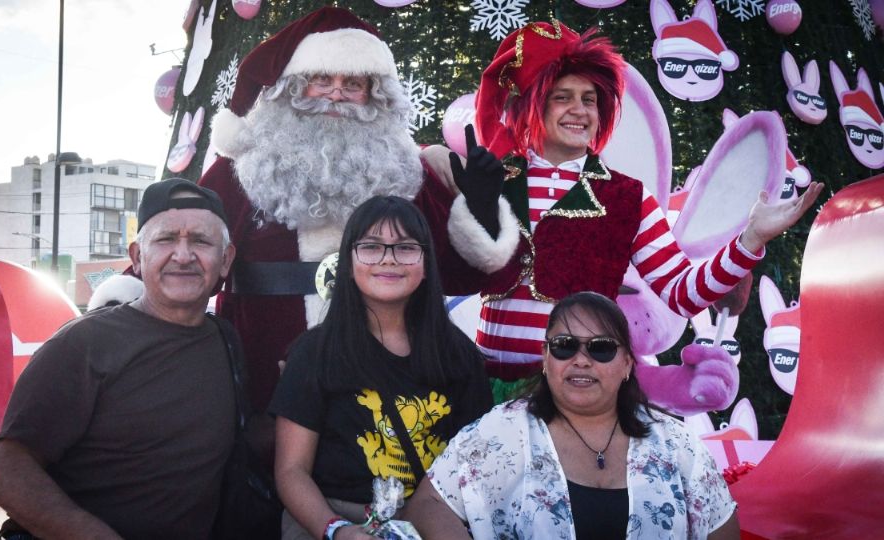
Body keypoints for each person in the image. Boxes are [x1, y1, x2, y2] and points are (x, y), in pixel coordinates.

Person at [446, 20, 823, 404]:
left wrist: (750, 240)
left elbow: (682, 293)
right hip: (485, 395)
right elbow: (449, 280)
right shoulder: (495, 181)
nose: (579, 110)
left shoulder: (628, 197)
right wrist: (472, 212)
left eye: (589, 99)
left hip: (576, 402)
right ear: (534, 104)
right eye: (563, 97)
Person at [200, 6, 516, 413]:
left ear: (374, 94)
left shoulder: (407, 170)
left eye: (353, 83)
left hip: (388, 384)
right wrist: (126, 305)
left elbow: (468, 274)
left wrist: (484, 208)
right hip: (264, 376)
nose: (335, 94)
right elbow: (186, 250)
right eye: (321, 80)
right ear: (293, 87)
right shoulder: (239, 170)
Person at [0, 178, 238, 539]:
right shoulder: (84, 343)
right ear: (137, 257)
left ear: (225, 260)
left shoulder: (226, 342)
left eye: (200, 240)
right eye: (166, 239)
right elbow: (7, 475)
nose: (183, 255)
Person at [405, 291, 740, 539]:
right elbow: (428, 505)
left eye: (601, 348)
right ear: (546, 358)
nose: (581, 360)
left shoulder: (676, 443)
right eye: (565, 345)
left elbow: (721, 525)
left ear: (627, 364)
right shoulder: (500, 431)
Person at [269, 196, 493, 540]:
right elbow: (290, 470)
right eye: (371, 247)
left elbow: (474, 466)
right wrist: (337, 530)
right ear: (349, 260)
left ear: (425, 262)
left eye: (405, 247)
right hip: (333, 518)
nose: (388, 259)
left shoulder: (458, 355)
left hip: (431, 520)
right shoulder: (315, 352)